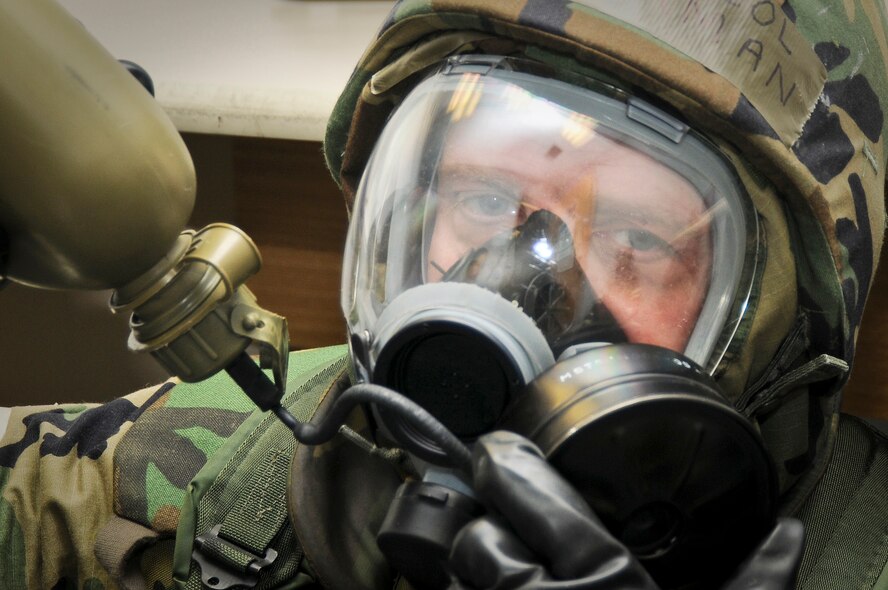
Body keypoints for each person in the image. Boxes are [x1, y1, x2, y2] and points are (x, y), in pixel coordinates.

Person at [2, 1, 887, 589]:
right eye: (485, 201)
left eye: (638, 241)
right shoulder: (188, 468)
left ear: (777, 335)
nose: (528, 281)